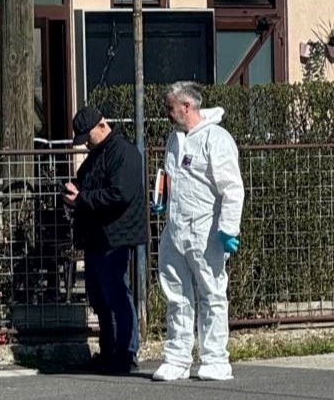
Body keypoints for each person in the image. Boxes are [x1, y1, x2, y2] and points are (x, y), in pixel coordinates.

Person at [151, 81, 244, 382]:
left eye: (170, 107)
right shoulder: (174, 139)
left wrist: (228, 228)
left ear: (186, 106)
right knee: (176, 295)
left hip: (206, 232)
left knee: (212, 294)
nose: (167, 112)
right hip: (175, 230)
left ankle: (216, 359)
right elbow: (168, 176)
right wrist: (161, 200)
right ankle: (177, 357)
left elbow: (232, 188)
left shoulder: (216, 139)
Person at [63, 106, 147, 376]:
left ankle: (126, 353)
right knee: (101, 298)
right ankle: (110, 351)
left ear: (102, 126)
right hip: (99, 236)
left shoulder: (123, 153)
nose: (86, 142)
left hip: (116, 236)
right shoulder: (101, 154)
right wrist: (78, 193)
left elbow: (120, 194)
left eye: (88, 136)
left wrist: (82, 198)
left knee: (117, 297)